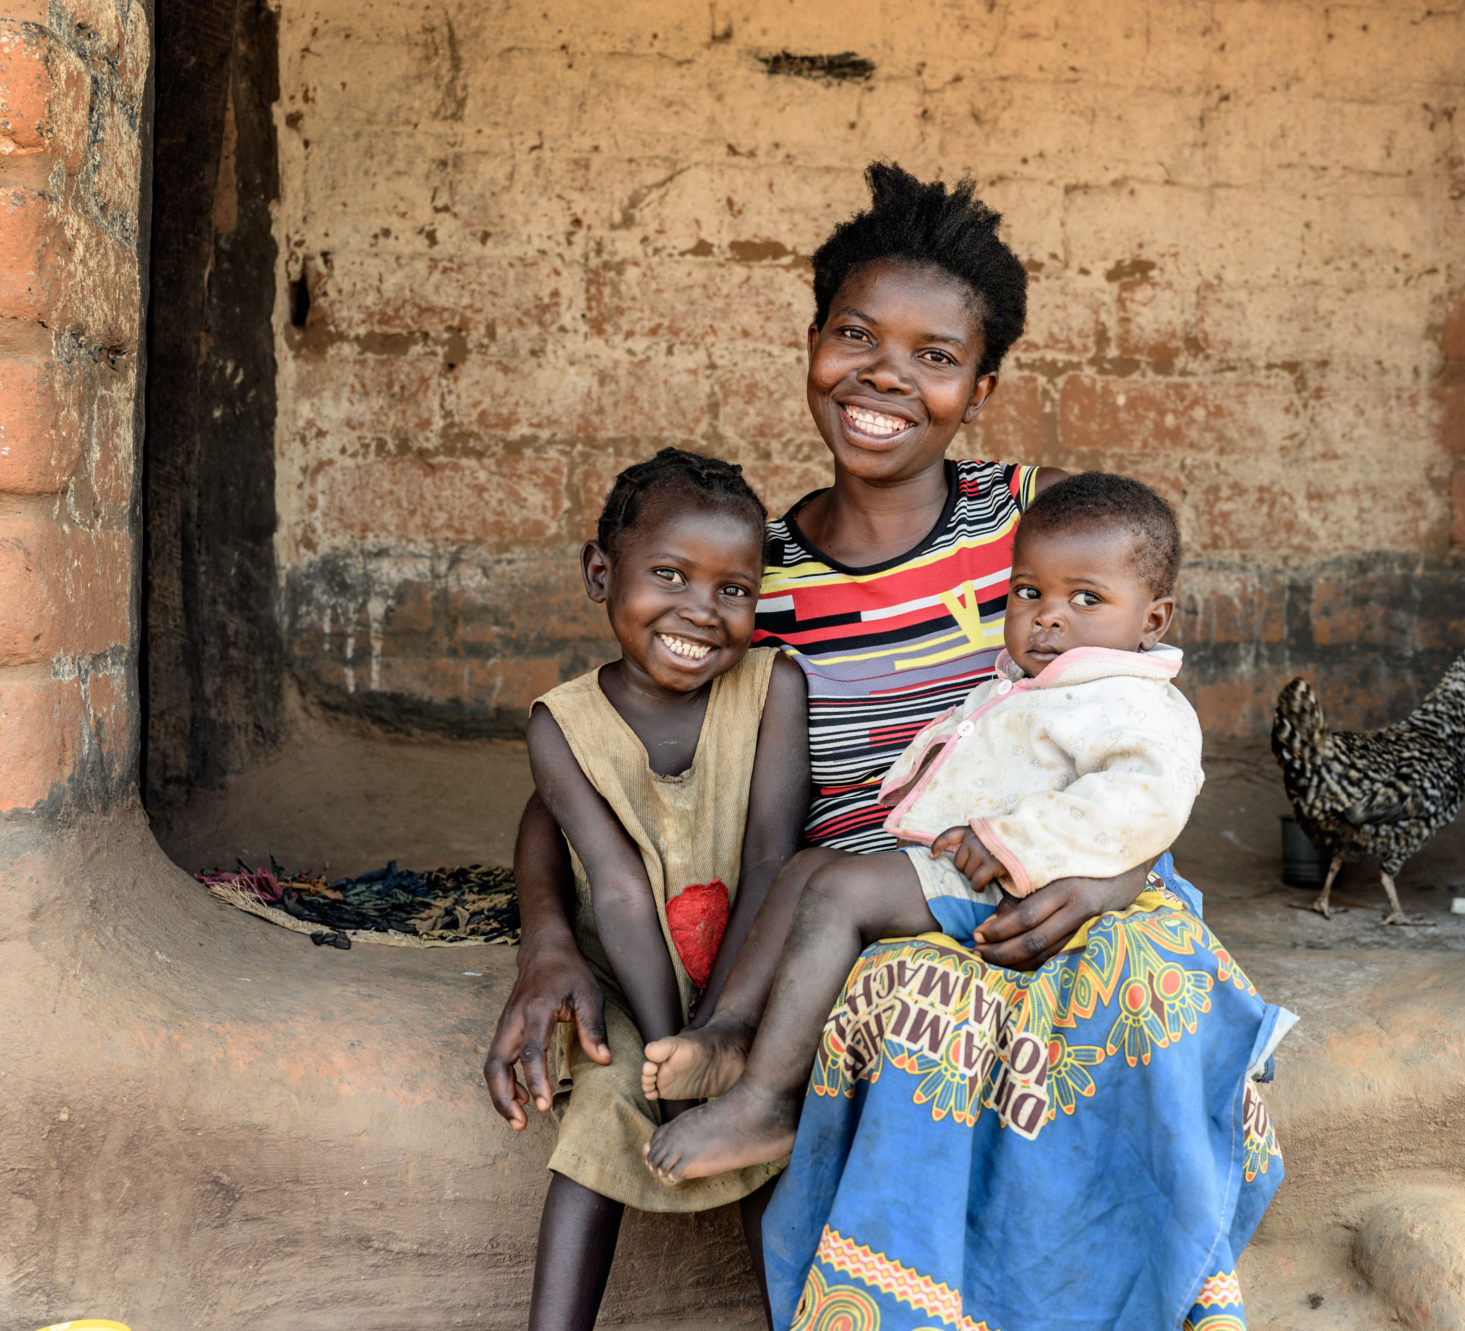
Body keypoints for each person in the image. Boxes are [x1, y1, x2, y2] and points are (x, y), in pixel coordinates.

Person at [487, 162, 1289, 1331]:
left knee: (1107, 998)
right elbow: (593, 746)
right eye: (855, 334)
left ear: (980, 384)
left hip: (1038, 879)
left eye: (934, 354)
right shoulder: (746, 572)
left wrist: (1105, 878)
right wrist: (546, 941)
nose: (884, 377)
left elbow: (1133, 730)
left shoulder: (1035, 529)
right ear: (812, 341)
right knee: (893, 995)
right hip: (833, 907)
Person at [640, 472, 1207, 1180]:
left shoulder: (1132, 701)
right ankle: (731, 1029)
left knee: (841, 889)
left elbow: (1146, 797)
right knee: (807, 868)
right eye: (1028, 592)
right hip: (969, 865)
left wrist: (1016, 841)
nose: (1049, 616)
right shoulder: (1037, 678)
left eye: (1085, 599)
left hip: (1017, 886)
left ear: (1152, 621)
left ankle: (767, 1101)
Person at [514, 448, 810, 1330]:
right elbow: (615, 890)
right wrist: (668, 1053)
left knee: (757, 1109)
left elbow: (770, 860)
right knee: (604, 1109)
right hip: (631, 982)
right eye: (670, 575)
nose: (701, 611)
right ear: (601, 574)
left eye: (733, 589)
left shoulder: (774, 686)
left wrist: (719, 1035)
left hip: (747, 979)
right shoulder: (561, 724)